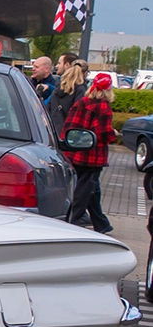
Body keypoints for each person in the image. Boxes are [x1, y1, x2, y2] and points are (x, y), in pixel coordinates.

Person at [63, 71, 117, 234]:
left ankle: (101, 223)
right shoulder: (103, 106)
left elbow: (69, 125)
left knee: (92, 189)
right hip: (93, 156)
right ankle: (71, 220)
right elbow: (103, 133)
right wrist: (113, 134)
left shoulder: (83, 102)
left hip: (75, 152)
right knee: (85, 190)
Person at [47, 62, 86, 142]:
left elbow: (48, 107)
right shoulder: (80, 90)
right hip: (68, 132)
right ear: (84, 74)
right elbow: (79, 112)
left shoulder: (56, 90)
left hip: (52, 130)